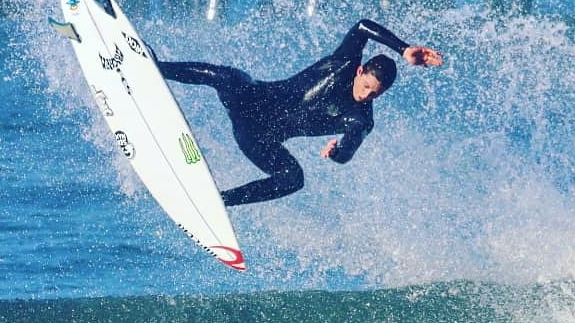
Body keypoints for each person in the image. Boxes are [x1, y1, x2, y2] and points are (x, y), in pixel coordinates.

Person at [157, 19, 443, 206]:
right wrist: (404, 49)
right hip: (252, 101)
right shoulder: (342, 63)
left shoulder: (361, 119)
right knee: (229, 77)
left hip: (259, 139)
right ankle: (154, 68)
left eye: (375, 93)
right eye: (367, 85)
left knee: (293, 179)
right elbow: (362, 27)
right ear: (359, 71)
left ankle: (216, 202)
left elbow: (348, 151)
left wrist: (335, 152)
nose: (367, 94)